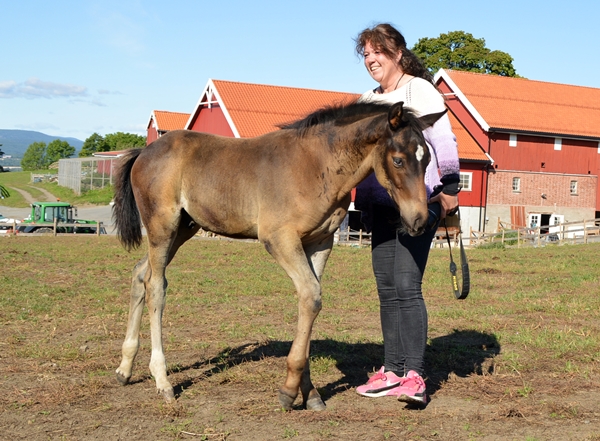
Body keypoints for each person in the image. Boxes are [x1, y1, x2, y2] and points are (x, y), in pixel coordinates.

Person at [353, 23, 460, 405]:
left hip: (419, 202)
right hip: (381, 206)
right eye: (365, 53)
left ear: (398, 53)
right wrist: (360, 200)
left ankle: (414, 375)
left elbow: (444, 137)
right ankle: (391, 371)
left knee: (405, 285)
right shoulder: (367, 99)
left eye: (377, 52)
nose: (370, 59)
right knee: (386, 289)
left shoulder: (420, 89)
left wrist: (449, 186)